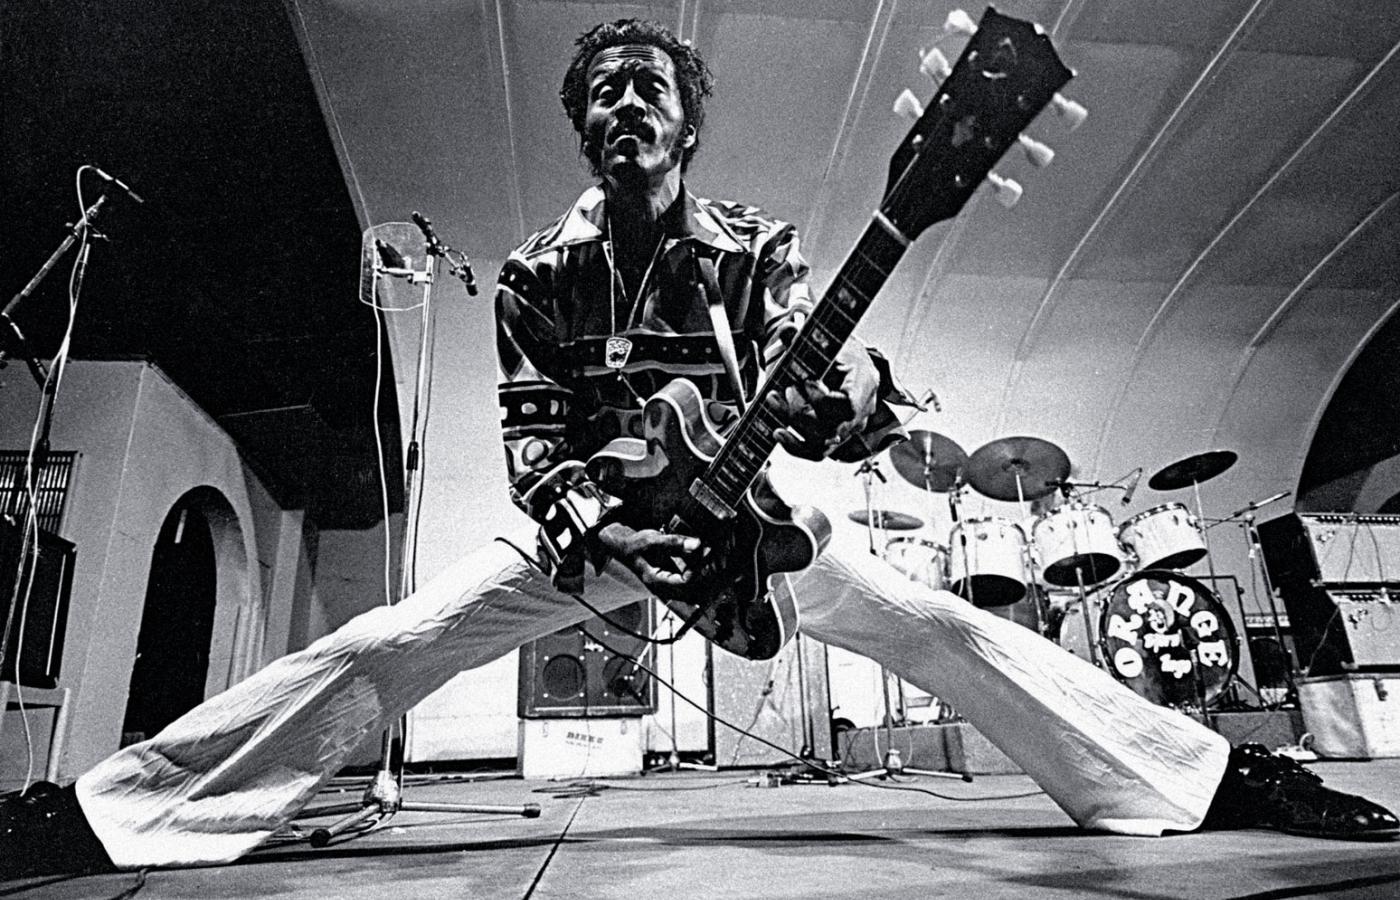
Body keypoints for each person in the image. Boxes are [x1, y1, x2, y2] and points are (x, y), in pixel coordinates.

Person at [2, 17, 1394, 882]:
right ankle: (118, 810)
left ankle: (1207, 777)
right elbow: (533, 446)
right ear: (583, 125)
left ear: (684, 122)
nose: (626, 104)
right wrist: (600, 526)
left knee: (943, 628)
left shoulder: (753, 250)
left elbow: (817, 392)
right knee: (390, 641)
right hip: (596, 540)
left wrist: (853, 402)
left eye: (648, 87)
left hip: (754, 523)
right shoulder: (536, 274)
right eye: (603, 90)